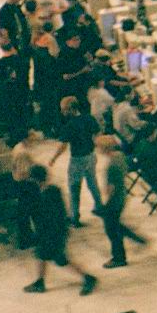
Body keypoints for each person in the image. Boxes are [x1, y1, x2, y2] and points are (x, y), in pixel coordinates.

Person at [23, 164, 97, 295]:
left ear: (35, 179)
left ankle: (88, 278)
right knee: (42, 255)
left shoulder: (46, 196)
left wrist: (41, 233)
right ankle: (40, 282)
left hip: (52, 234)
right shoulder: (53, 190)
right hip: (56, 232)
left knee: (60, 259)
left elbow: (49, 218)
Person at [96, 136, 145, 268]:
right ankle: (137, 238)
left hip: (115, 200)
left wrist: (106, 200)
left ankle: (119, 257)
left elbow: (110, 188)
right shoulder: (120, 156)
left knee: (111, 229)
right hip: (122, 195)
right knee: (115, 224)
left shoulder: (111, 164)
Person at [59, 96, 102, 227]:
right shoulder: (89, 118)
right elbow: (98, 131)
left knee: (74, 188)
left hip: (77, 160)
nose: (63, 112)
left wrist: (53, 158)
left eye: (64, 110)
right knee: (92, 182)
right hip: (90, 156)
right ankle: (99, 206)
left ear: (71, 109)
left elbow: (63, 146)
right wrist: (94, 143)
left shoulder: (70, 126)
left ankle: (74, 216)